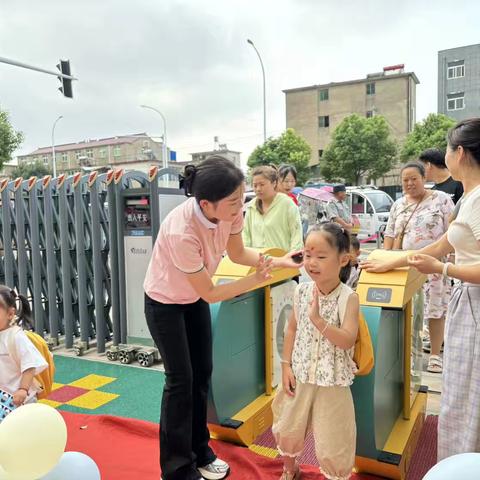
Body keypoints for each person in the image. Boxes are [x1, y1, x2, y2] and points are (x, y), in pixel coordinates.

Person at [143, 156, 301, 480]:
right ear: (206, 204)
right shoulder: (180, 231)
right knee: (180, 381)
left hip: (192, 300)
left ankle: (200, 451)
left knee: (202, 374)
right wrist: (257, 279)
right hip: (165, 304)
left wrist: (278, 260)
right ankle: (175, 469)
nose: (239, 207)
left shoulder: (231, 212)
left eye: (241, 197)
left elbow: (239, 254)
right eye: (232, 202)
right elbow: (211, 293)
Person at [361, 117, 480, 461]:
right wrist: (394, 261)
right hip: (465, 299)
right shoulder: (467, 197)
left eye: (446, 149)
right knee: (459, 392)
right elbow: (442, 244)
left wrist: (442, 269)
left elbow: (443, 255)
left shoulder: (471, 199)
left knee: (467, 393)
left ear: (459, 153)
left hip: (472, 301)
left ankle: (465, 464)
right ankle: (457, 460)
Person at [272, 222, 359, 480]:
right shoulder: (301, 290)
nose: (312, 263)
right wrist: (286, 365)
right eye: (308, 255)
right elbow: (291, 330)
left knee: (335, 436)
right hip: (299, 373)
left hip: (332, 379)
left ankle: (335, 476)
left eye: (321, 256)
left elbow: (347, 340)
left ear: (343, 260)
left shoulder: (348, 297)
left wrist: (320, 321)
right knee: (288, 426)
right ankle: (290, 468)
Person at [383, 161, 454, 373]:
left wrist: (448, 259)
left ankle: (434, 354)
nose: (410, 183)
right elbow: (389, 234)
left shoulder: (441, 200)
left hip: (433, 265)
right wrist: (385, 260)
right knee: (409, 311)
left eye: (414, 178)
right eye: (405, 180)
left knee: (435, 310)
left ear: (424, 178)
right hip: (404, 268)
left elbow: (452, 231)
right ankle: (409, 355)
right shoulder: (398, 205)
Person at [0, 286, 47, 408]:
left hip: (21, 399)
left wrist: (23, 389)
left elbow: (29, 365)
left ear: (10, 314)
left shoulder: (16, 337)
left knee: (24, 426)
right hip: (3, 399)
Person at [243, 165, 303, 252]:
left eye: (262, 185)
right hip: (257, 262)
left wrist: (292, 257)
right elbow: (246, 235)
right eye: (255, 185)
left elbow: (296, 235)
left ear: (274, 183)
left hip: (282, 261)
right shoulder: (251, 206)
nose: (258, 189)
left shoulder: (287, 204)